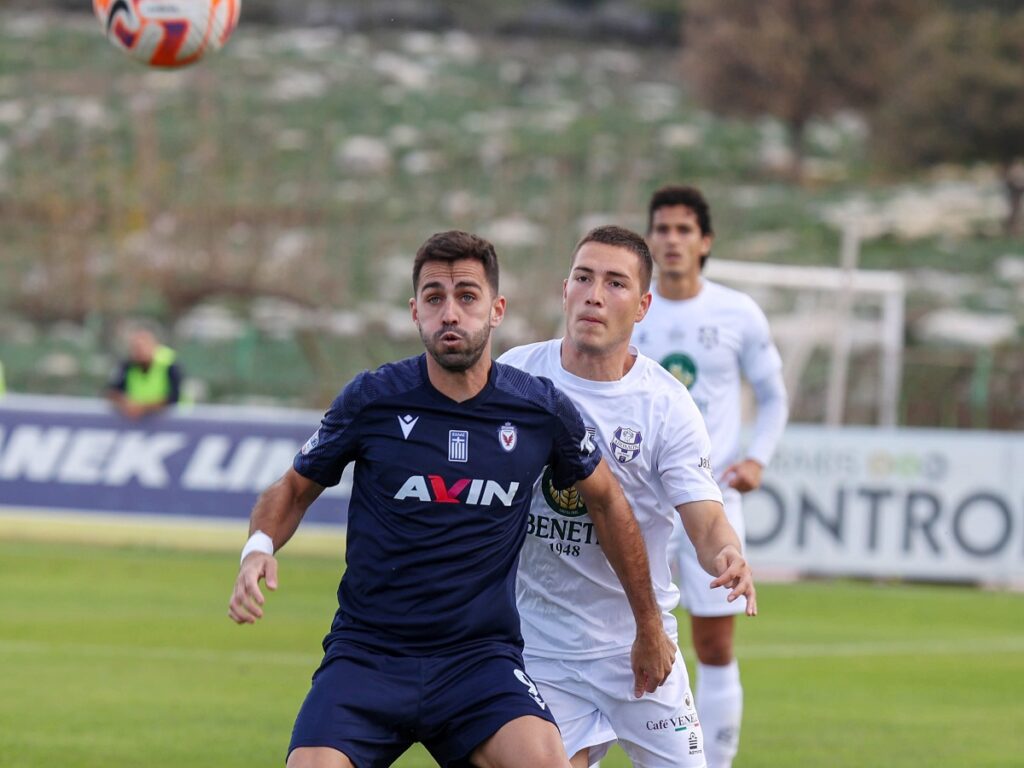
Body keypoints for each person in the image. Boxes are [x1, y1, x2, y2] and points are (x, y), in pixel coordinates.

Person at [227, 230, 678, 768]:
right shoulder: (373, 399)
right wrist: (258, 548)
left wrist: (648, 623)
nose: (450, 313)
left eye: (467, 296)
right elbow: (293, 487)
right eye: (434, 297)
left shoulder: (539, 409)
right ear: (415, 311)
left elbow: (608, 502)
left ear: (496, 310)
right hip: (367, 657)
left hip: (479, 664)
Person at [498, 225, 756, 768]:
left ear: (642, 306)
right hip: (541, 650)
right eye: (583, 278)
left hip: (641, 646)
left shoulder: (665, 404)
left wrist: (727, 553)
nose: (594, 295)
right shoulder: (515, 377)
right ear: (564, 290)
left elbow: (705, 519)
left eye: (615, 283)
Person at [632, 186, 789, 768]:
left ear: (705, 241)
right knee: (614, 632)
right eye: (662, 228)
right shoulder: (629, 305)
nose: (672, 240)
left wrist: (757, 459)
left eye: (683, 229)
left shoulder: (737, 312)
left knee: (714, 644)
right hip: (635, 503)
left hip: (710, 500)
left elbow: (773, 396)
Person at [106, 327, 183, 419]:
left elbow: (173, 397)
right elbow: (112, 391)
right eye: (135, 347)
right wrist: (126, 404)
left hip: (174, 420)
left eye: (143, 345)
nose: (140, 351)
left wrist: (142, 408)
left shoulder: (170, 363)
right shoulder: (127, 365)